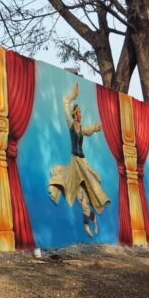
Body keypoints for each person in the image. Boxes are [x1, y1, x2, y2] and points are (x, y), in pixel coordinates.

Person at [48, 83, 110, 237]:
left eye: (81, 112)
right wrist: (73, 96)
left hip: (83, 163)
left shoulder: (82, 129)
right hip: (75, 164)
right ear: (75, 114)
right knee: (81, 198)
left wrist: (96, 128)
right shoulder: (71, 125)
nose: (81, 115)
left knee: (89, 191)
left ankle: (89, 222)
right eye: (80, 112)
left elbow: (89, 130)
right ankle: (89, 222)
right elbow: (65, 103)